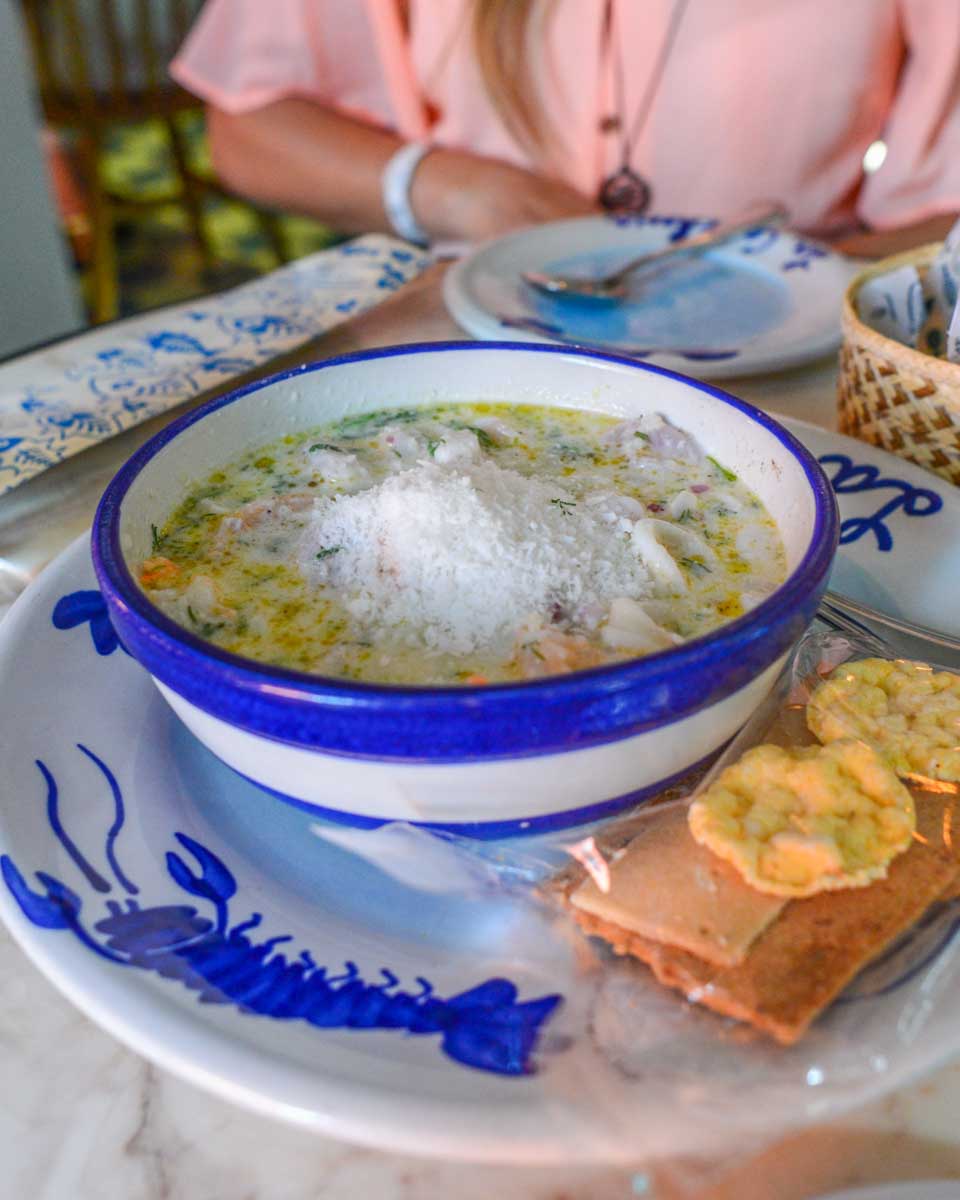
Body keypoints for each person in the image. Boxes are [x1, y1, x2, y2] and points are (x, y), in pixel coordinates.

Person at [171, 0, 960, 257]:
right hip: (475, 333)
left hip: (791, 365)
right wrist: (457, 190)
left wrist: (786, 288)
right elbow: (248, 125)